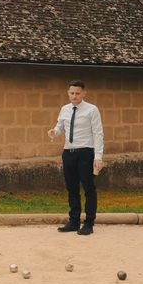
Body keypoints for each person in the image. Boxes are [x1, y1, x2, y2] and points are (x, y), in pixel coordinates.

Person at [48, 79, 104, 235]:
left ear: (84, 93)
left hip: (86, 152)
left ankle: (89, 223)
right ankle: (73, 221)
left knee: (88, 188)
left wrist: (98, 157)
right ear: (68, 93)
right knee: (72, 188)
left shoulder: (92, 110)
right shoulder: (64, 109)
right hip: (69, 153)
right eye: (72, 93)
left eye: (77, 93)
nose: (74, 96)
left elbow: (98, 134)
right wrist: (54, 132)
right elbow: (60, 127)